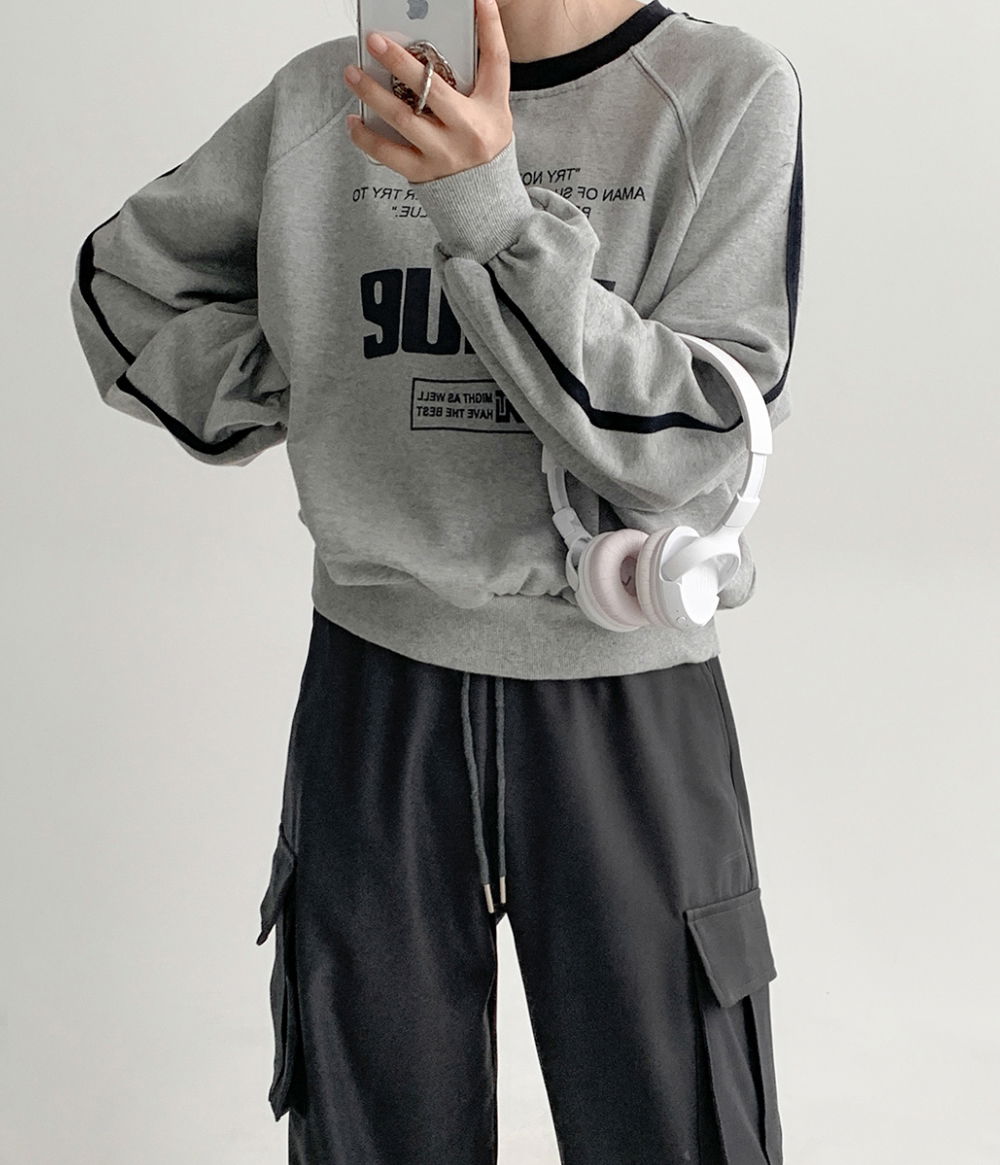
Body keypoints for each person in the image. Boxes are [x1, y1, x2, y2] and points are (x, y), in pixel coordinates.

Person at [69, 0, 804, 1159]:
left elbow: (692, 442)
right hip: (375, 691)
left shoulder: (724, 92)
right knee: (372, 1128)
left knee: (674, 1124)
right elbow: (124, 286)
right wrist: (318, 382)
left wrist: (488, 210)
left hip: (626, 693)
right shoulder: (333, 97)